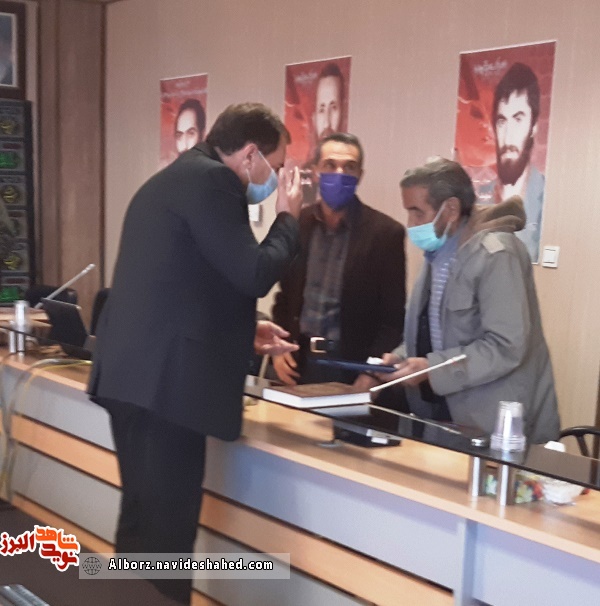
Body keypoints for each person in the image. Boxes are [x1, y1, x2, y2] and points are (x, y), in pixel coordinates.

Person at [87, 102, 302, 605]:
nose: (275, 179)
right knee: (166, 535)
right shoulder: (214, 182)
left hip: (135, 379)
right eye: (276, 165)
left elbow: (190, 283)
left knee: (142, 525)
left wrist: (246, 331)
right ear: (250, 155)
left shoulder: (176, 178)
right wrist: (288, 219)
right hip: (165, 389)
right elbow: (253, 272)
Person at [375, 158, 559, 444]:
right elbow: (436, 330)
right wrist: (402, 357)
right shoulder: (438, 251)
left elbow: (506, 346)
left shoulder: (496, 253)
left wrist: (432, 368)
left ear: (450, 209)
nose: (410, 224)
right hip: (439, 414)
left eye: (417, 212)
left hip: (491, 424)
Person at [271, 133, 406, 391]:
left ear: (360, 175)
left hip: (352, 367)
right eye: (330, 165)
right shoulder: (298, 223)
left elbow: (392, 319)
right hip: (299, 360)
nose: (339, 173)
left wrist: (372, 372)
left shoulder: (385, 234)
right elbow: (285, 297)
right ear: (316, 170)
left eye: (349, 167)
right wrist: (279, 349)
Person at [487, 62, 544, 262]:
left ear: (533, 127)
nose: (508, 135)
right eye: (502, 121)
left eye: (518, 119)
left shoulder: (544, 196)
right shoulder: (477, 199)